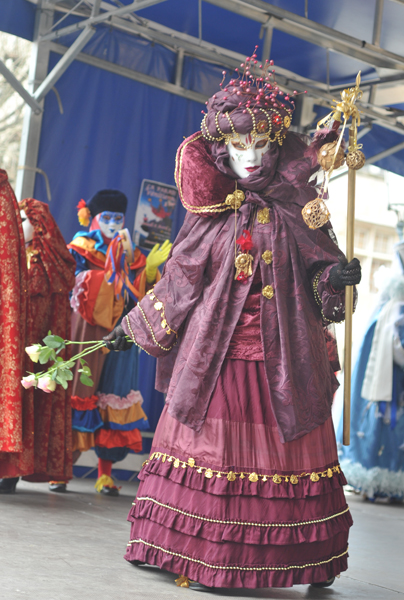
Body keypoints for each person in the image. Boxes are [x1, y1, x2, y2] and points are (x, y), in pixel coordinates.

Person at [104, 57, 361, 590]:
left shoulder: (301, 207)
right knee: (206, 449)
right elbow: (180, 280)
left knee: (274, 450)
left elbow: (321, 287)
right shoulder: (213, 213)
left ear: (275, 148)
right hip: (213, 357)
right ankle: (178, 549)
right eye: (239, 148)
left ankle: (269, 561)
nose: (250, 158)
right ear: (222, 151)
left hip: (283, 359)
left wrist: (336, 275)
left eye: (261, 146)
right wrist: (131, 326)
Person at [68, 190, 171, 495]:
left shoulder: (133, 254)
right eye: (107, 218)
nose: (113, 223)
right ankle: (61, 470)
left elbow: (144, 300)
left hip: (121, 337)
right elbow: (73, 287)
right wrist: (110, 277)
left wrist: (149, 271)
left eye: (118, 218)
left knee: (114, 395)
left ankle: (104, 473)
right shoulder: (80, 248)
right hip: (86, 335)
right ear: (93, 218)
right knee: (79, 394)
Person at [0, 193, 76, 492]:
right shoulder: (16, 257)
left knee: (31, 399)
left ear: (39, 224)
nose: (18, 225)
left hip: (34, 350)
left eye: (23, 220)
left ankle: (12, 472)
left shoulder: (49, 263)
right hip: (15, 347)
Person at [338, 241, 404, 501]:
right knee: (386, 421)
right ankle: (382, 483)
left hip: (387, 377)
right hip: (392, 380)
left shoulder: (388, 307)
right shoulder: (396, 308)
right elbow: (399, 347)